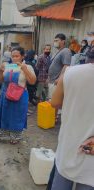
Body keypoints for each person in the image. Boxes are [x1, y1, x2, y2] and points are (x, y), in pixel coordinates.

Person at [50, 46, 94, 189]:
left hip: (69, 145)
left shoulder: (70, 72)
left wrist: (74, 104)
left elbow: (55, 102)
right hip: (90, 154)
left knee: (61, 181)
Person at [0, 47, 36, 144]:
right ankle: (0, 133)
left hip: (19, 97)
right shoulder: (9, 66)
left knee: (17, 116)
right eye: (13, 56)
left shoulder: (27, 67)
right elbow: (0, 81)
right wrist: (1, 72)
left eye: (17, 56)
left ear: (22, 56)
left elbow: (32, 81)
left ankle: (15, 136)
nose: (14, 58)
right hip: (5, 95)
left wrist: (25, 69)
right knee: (3, 115)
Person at [48, 33, 71, 122]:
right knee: (52, 99)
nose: (55, 42)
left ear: (63, 41)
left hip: (57, 81)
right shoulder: (59, 51)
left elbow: (66, 66)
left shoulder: (66, 51)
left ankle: (54, 118)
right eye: (54, 41)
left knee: (55, 101)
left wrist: (60, 78)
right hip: (52, 79)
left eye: (57, 41)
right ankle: (53, 117)